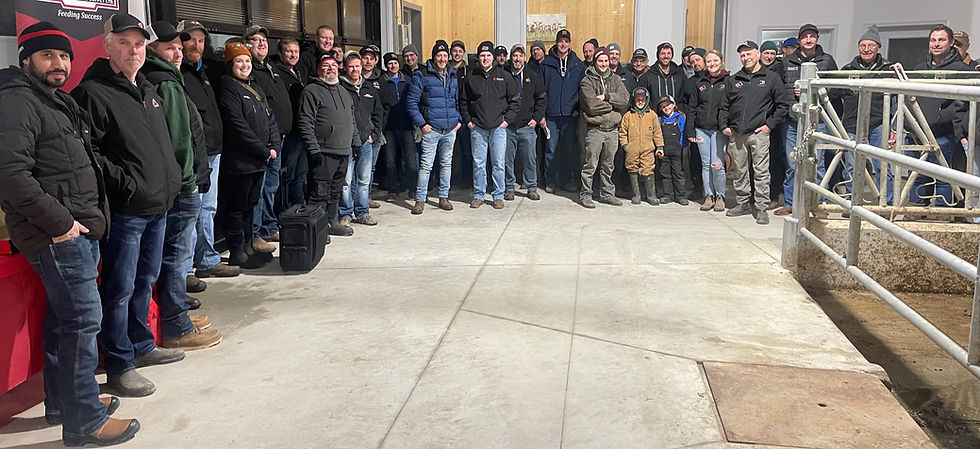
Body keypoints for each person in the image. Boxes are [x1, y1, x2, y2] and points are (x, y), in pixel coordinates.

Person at [0, 22, 141, 447]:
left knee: (66, 321)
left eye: (63, 56)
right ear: (26, 60)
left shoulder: (52, 101)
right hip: (58, 235)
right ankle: (85, 422)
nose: (58, 63)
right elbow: (10, 177)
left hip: (75, 230)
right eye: (47, 56)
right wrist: (62, 225)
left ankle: (65, 401)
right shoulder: (17, 103)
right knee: (82, 322)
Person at [72, 13, 184, 397]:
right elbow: (90, 154)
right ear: (108, 47)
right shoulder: (93, 93)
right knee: (118, 288)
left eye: (138, 44)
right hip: (127, 211)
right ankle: (119, 365)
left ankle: (141, 345)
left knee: (144, 281)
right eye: (124, 43)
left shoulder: (148, 89)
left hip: (157, 206)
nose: (133, 50)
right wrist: (129, 185)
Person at [142, 21, 222, 350]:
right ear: (153, 51)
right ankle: (176, 324)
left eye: (178, 47)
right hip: (183, 186)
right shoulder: (167, 83)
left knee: (174, 253)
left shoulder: (167, 77)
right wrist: (190, 181)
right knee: (176, 255)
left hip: (180, 182)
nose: (177, 53)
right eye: (169, 48)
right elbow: (179, 140)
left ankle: (175, 309)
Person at [177, 20, 240, 281]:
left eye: (201, 40)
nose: (196, 45)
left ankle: (206, 259)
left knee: (208, 209)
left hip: (212, 151)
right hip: (192, 156)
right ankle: (187, 269)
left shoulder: (203, 71)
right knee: (190, 212)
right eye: (190, 39)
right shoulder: (177, 74)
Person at [217, 41, 283, 265]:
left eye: (247, 60)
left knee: (250, 205)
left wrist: (274, 144)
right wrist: (263, 150)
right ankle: (237, 252)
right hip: (241, 161)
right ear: (230, 64)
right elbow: (237, 125)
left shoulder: (254, 86)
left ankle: (249, 246)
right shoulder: (227, 86)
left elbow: (269, 117)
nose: (245, 65)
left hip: (259, 160)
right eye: (239, 61)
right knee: (237, 207)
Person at [720, 40, 791, 225]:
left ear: (757, 54)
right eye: (742, 55)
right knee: (739, 171)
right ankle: (742, 203)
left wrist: (769, 125)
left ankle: (761, 207)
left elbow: (782, 105)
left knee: (761, 172)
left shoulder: (770, 78)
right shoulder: (734, 79)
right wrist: (724, 125)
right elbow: (724, 106)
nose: (745, 58)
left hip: (759, 133)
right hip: (736, 134)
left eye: (748, 54)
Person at [778, 24, 839, 217]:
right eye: (805, 37)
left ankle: (818, 204)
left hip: (817, 121)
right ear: (799, 40)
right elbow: (780, 89)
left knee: (817, 164)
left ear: (817, 39)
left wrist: (813, 92)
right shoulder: (787, 62)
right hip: (792, 121)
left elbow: (835, 88)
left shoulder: (827, 61)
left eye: (812, 36)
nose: (809, 40)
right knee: (792, 164)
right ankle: (790, 203)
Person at [907, 25, 970, 208]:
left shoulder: (961, 71)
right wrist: (911, 124)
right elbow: (906, 98)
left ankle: (942, 214)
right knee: (917, 176)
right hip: (917, 134)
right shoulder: (919, 70)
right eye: (933, 40)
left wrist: (939, 118)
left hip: (945, 135)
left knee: (944, 177)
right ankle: (916, 213)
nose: (936, 44)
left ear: (951, 43)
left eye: (941, 40)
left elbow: (962, 104)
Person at [298, 54, 359, 232]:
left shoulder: (343, 91)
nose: (331, 68)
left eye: (333, 65)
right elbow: (305, 121)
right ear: (319, 70)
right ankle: (317, 229)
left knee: (335, 192)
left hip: (343, 150)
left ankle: (332, 222)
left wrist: (355, 142)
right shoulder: (311, 91)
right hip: (323, 152)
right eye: (326, 66)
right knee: (319, 193)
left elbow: (351, 119)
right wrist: (313, 149)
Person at [244, 25, 289, 252]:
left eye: (264, 39)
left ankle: (269, 225)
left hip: (277, 139)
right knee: (259, 190)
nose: (262, 43)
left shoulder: (270, 67)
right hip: (260, 143)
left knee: (271, 187)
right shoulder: (249, 72)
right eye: (255, 39)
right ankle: (256, 231)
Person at [461, 40, 519, 209]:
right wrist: (469, 122)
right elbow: (463, 101)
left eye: (488, 55)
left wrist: (506, 121)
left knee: (498, 163)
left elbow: (515, 101)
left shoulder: (504, 76)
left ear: (493, 57)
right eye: (482, 56)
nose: (485, 58)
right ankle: (479, 194)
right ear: (478, 58)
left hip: (498, 128)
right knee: (478, 163)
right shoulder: (471, 76)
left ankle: (498, 195)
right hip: (477, 128)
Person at [406, 40, 461, 214]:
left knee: (446, 164)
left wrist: (458, 121)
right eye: (439, 55)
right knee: (426, 165)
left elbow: (457, 101)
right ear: (433, 57)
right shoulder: (422, 75)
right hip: (432, 129)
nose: (442, 59)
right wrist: (422, 124)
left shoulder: (453, 75)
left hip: (450, 129)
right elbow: (411, 102)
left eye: (445, 55)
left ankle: (443, 197)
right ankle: (420, 199)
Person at [839, 25, 893, 199]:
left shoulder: (888, 69)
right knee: (852, 166)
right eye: (862, 45)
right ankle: (852, 202)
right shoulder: (847, 70)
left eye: (870, 45)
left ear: (878, 47)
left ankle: (886, 202)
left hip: (879, 123)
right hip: (852, 124)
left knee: (882, 165)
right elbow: (834, 94)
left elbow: (898, 99)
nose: (866, 49)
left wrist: (894, 125)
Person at [578, 47, 629, 208]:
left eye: (606, 61)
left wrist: (607, 97)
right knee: (590, 165)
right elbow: (591, 106)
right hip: (595, 130)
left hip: (612, 130)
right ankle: (586, 194)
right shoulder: (587, 81)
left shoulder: (615, 79)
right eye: (600, 61)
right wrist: (612, 107)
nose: (604, 64)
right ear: (595, 62)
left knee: (609, 165)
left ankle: (607, 193)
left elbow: (624, 99)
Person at [338, 51, 384, 226]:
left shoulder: (369, 88)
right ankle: (345, 214)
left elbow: (378, 112)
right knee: (346, 180)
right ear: (345, 67)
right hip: (346, 143)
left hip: (366, 141)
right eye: (351, 66)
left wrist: (374, 134)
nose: (355, 69)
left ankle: (363, 212)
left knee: (364, 179)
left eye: (357, 66)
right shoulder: (340, 88)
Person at [540, 29, 586, 193]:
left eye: (566, 41)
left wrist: (578, 109)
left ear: (570, 43)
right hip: (551, 117)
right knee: (550, 150)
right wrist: (542, 114)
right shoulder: (546, 63)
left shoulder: (577, 65)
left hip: (570, 116)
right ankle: (550, 181)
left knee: (567, 151)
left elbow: (583, 90)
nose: (563, 44)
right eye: (560, 41)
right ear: (556, 42)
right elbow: (540, 91)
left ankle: (566, 180)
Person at [685, 49, 730, 212]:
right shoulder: (700, 83)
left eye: (715, 61)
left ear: (721, 62)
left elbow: (731, 106)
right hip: (701, 129)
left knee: (716, 164)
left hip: (719, 130)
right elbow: (692, 108)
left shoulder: (728, 81)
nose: (712, 64)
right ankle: (709, 195)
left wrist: (727, 126)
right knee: (705, 165)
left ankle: (720, 196)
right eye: (709, 61)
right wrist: (690, 131)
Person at [503, 44, 546, 201]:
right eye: (515, 55)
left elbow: (541, 100)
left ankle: (531, 187)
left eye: (520, 56)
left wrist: (535, 118)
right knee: (507, 159)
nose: (517, 59)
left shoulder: (533, 76)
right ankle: (509, 187)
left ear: (524, 58)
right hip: (508, 127)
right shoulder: (504, 75)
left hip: (527, 126)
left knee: (529, 158)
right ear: (511, 57)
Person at [273, 37, 309, 209]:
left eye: (296, 51)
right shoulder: (276, 72)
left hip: (302, 130)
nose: (293, 55)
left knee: (299, 173)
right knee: (287, 173)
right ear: (281, 53)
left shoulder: (299, 71)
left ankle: (299, 207)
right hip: (289, 132)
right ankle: (285, 209)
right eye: (289, 51)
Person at [382, 52, 417, 202]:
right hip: (389, 127)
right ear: (385, 65)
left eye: (395, 62)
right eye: (389, 63)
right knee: (390, 161)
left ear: (399, 64)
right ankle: (393, 191)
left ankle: (413, 189)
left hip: (407, 126)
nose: (393, 65)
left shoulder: (408, 81)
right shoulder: (381, 82)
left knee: (410, 161)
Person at [619, 87, 663, 205]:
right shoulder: (628, 116)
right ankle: (636, 194)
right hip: (632, 148)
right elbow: (622, 132)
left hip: (647, 148)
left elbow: (657, 132)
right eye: (637, 99)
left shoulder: (652, 115)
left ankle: (651, 195)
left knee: (648, 169)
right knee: (632, 169)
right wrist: (625, 146)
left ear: (647, 100)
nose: (640, 102)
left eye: (642, 99)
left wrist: (659, 147)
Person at [359, 44, 390, 209]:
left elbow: (386, 107)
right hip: (356, 133)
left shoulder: (380, 80)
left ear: (376, 61)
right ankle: (356, 200)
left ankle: (367, 197)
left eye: (371, 58)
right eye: (365, 57)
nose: (368, 61)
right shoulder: (353, 78)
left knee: (370, 168)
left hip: (375, 132)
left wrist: (378, 129)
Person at [656, 96, 688, 204]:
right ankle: (667, 195)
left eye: (668, 105)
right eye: (663, 107)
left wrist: (682, 145)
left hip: (676, 150)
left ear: (673, 105)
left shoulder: (680, 118)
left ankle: (681, 196)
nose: (666, 108)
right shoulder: (659, 119)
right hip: (664, 151)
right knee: (665, 173)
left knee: (678, 173)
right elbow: (657, 134)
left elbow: (683, 132)